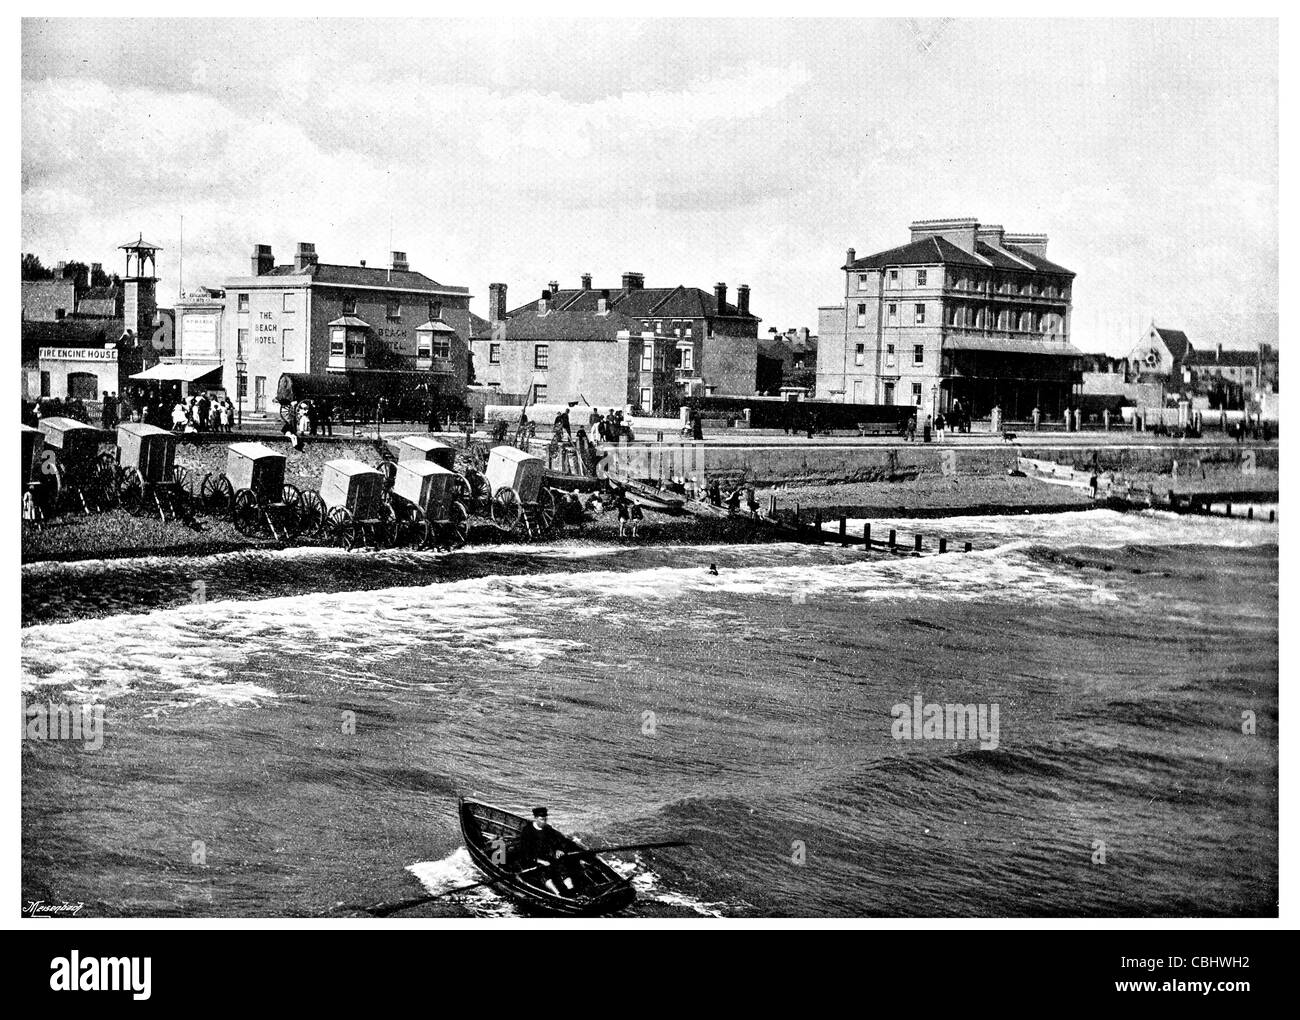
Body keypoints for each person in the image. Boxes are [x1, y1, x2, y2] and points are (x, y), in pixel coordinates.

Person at [512, 808, 576, 897]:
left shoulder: (548, 829)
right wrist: (539, 861)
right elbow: (525, 852)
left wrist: (559, 849)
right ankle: (558, 894)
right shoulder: (527, 831)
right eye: (542, 819)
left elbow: (559, 840)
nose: (544, 822)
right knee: (543, 873)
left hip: (547, 857)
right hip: (532, 860)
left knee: (561, 868)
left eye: (545, 819)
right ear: (535, 818)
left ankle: (571, 891)